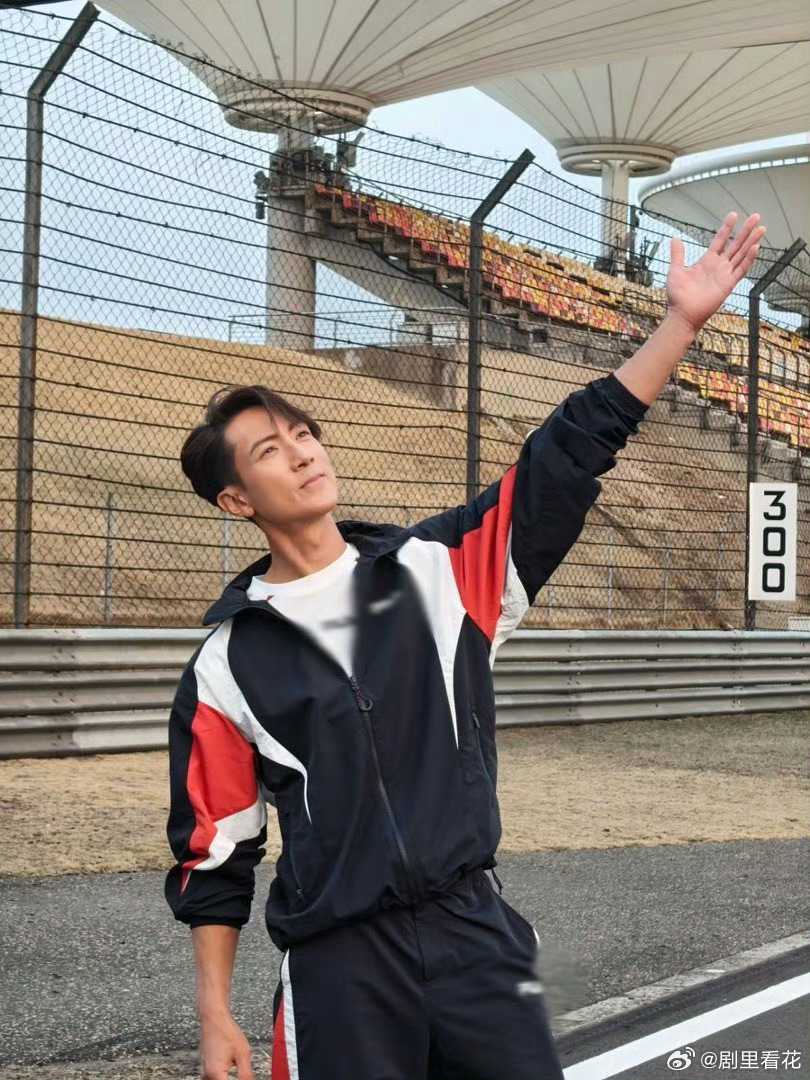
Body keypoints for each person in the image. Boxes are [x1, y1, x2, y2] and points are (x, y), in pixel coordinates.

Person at [165, 212, 764, 1080]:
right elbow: (216, 852)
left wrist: (679, 325)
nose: (300, 454)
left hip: (476, 935)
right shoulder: (227, 666)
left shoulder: (439, 569)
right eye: (268, 450)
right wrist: (215, 1012)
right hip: (339, 968)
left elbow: (563, 458)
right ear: (235, 500)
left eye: (303, 433)